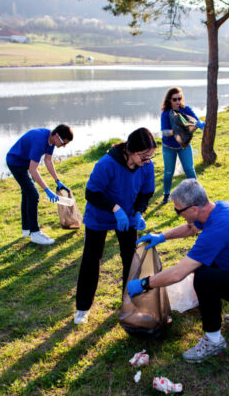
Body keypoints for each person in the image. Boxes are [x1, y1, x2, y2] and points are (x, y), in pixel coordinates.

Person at [128, 179, 229, 363]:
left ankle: (214, 341)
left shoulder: (216, 229)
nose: (177, 214)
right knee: (208, 265)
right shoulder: (219, 208)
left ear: (194, 209)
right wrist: (162, 236)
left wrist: (144, 283)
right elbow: (191, 227)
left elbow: (178, 273)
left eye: (178, 210)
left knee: (204, 278)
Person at [74, 127, 156, 325]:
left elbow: (146, 193)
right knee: (92, 258)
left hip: (127, 216)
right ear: (130, 150)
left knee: (130, 258)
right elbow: (92, 193)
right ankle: (82, 308)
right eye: (144, 156)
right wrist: (114, 208)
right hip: (99, 215)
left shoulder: (146, 166)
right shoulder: (107, 164)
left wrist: (138, 211)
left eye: (150, 157)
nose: (147, 161)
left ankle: (129, 300)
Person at [6, 124, 73, 245]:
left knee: (27, 194)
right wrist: (47, 190)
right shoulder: (40, 141)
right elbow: (33, 170)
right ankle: (35, 234)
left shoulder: (50, 141)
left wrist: (57, 181)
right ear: (57, 136)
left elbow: (48, 160)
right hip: (15, 163)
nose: (63, 146)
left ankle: (26, 230)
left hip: (24, 162)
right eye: (63, 143)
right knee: (33, 195)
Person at [160, 87, 205, 204]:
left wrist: (200, 125)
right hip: (168, 146)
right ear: (169, 100)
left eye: (179, 98)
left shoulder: (186, 110)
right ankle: (166, 194)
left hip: (184, 146)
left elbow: (196, 121)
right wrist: (179, 130)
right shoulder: (165, 114)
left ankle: (196, 195)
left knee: (189, 169)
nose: (177, 102)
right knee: (169, 172)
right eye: (174, 99)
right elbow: (165, 132)